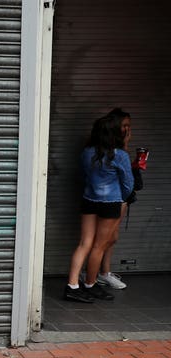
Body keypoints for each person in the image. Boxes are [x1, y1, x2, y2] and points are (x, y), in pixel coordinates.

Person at [64, 113, 134, 303]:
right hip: (110, 203)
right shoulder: (120, 155)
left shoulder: (87, 152)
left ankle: (72, 286)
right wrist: (123, 198)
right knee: (99, 246)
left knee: (84, 243)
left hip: (89, 199)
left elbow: (85, 176)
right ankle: (90, 284)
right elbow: (128, 184)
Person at [96, 108, 131, 289]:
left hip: (115, 198)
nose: (127, 130)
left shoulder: (112, 151)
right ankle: (98, 274)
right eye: (124, 125)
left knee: (110, 237)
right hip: (114, 199)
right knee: (106, 238)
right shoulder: (115, 152)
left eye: (129, 126)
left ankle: (103, 272)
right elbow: (126, 180)